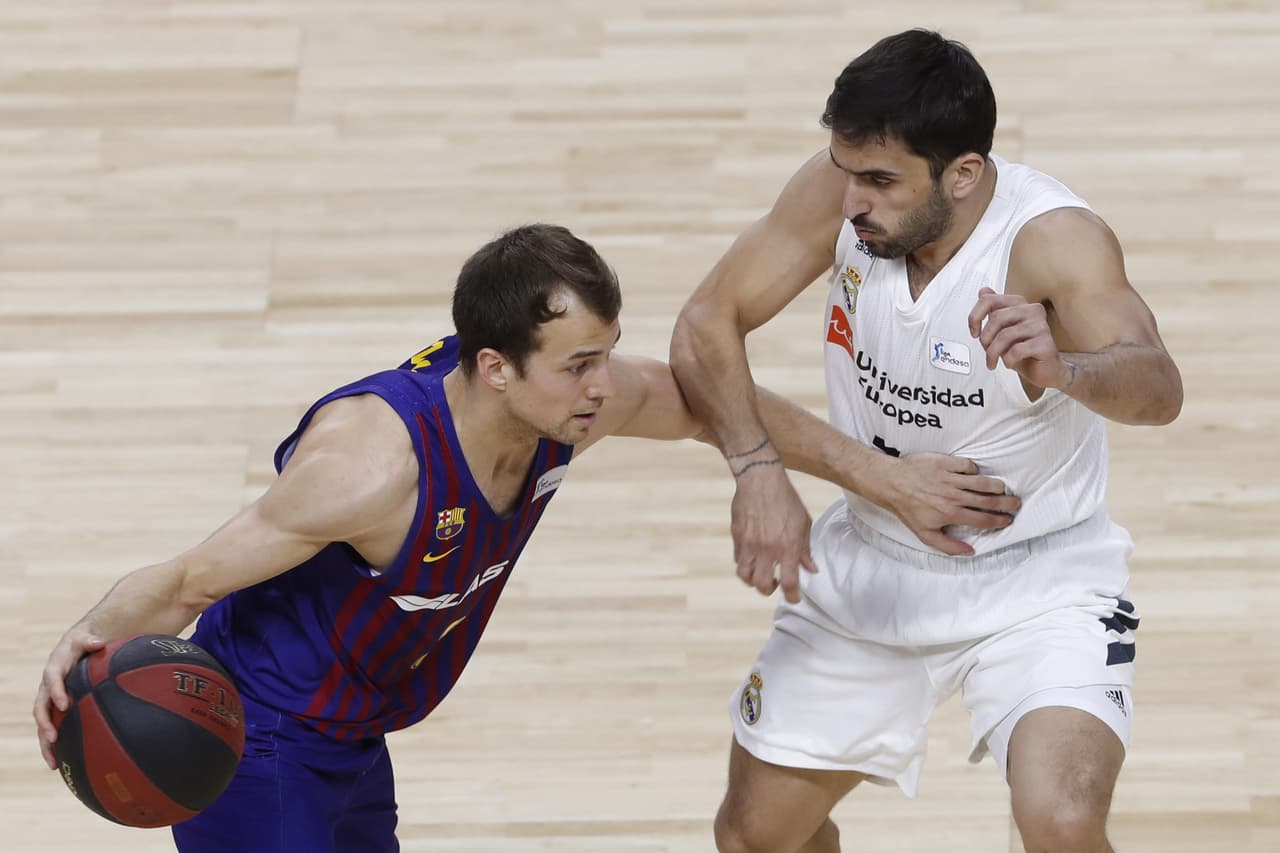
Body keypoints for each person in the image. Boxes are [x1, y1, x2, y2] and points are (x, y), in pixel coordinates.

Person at [33, 222, 883, 852]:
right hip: (262, 738)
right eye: (579, 364)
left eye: (606, 354)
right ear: (494, 366)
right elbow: (189, 581)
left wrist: (886, 480)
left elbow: (716, 406)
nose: (604, 385)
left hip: (357, 731)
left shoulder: (564, 405)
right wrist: (87, 639)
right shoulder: (367, 468)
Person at [669, 29, 1183, 853]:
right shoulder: (838, 193)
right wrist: (761, 470)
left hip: (1040, 578)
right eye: (844, 170)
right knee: (754, 835)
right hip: (872, 562)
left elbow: (1160, 388)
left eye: (879, 180)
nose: (851, 201)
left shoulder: (1052, 240)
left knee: (1062, 820)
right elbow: (702, 327)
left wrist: (1065, 369)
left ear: (965, 173)